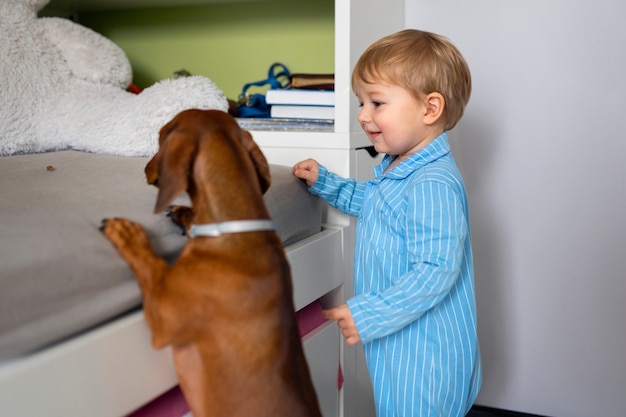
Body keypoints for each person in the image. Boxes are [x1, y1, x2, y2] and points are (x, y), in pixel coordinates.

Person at [292, 29, 482, 417]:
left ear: (430, 109)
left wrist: (367, 313)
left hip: (427, 352)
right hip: (402, 342)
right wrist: (326, 183)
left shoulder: (432, 183)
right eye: (361, 102)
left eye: (376, 102)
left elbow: (436, 270)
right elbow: (375, 203)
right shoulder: (401, 171)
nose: (363, 115)